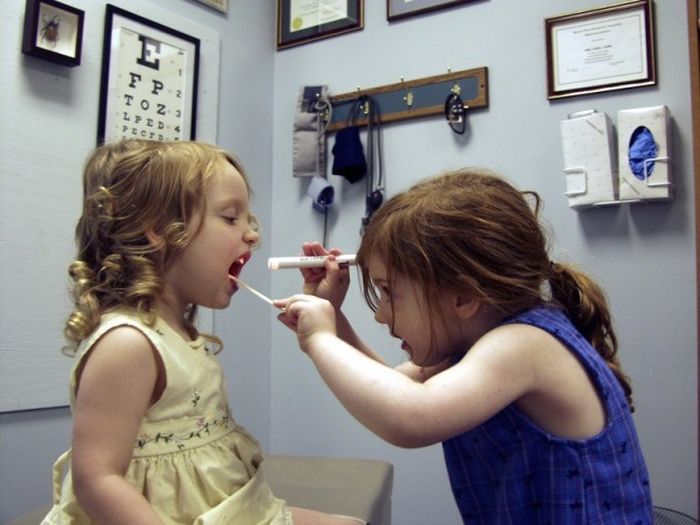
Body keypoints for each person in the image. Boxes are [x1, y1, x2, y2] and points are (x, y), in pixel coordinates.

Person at [276, 168, 654, 524]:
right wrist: (333, 315)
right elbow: (390, 386)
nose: (381, 315)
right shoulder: (471, 346)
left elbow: (410, 416)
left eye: (389, 292)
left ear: (464, 296)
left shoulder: (525, 345)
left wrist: (319, 338)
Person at [42, 139, 363, 525]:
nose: (252, 235)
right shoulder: (126, 343)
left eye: (248, 220)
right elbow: (97, 480)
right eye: (230, 218)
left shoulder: (175, 332)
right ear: (159, 230)